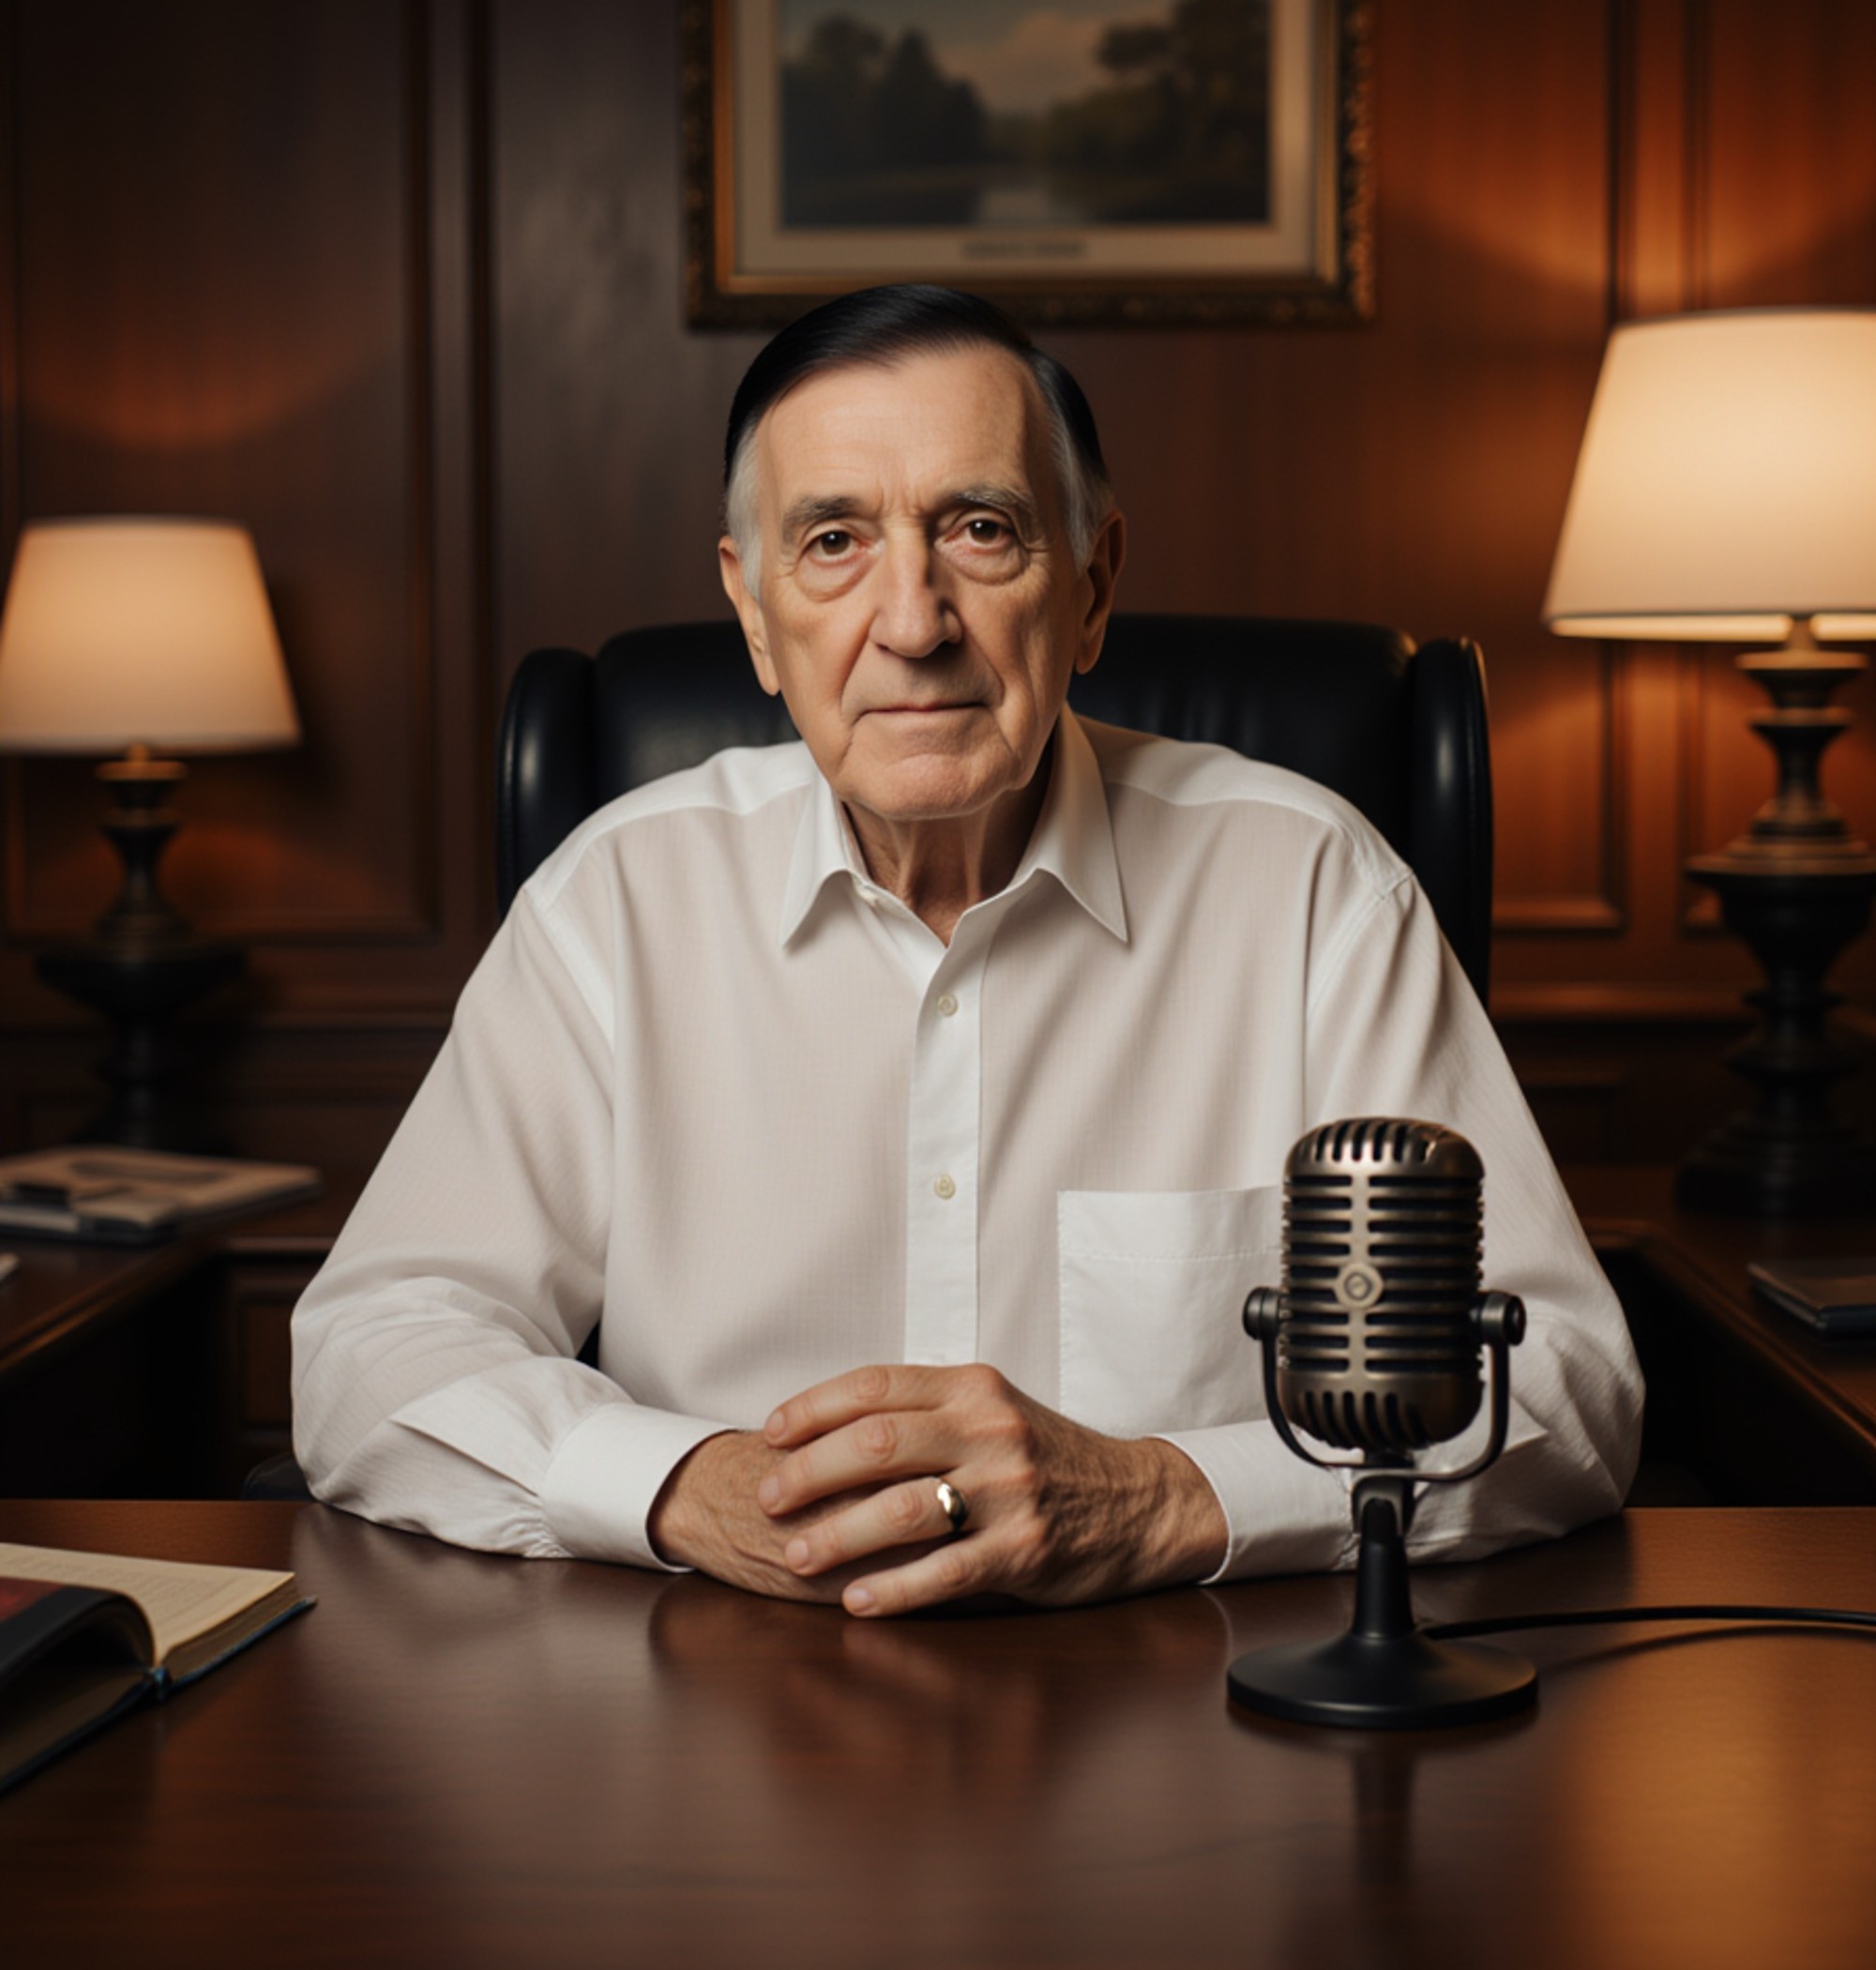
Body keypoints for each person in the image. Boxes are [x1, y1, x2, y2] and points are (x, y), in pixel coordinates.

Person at [293, 284, 1641, 1616]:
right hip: (717, 1687)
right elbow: (369, 1351)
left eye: (981, 530)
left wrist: (1162, 1499)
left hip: (1195, 1694)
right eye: (833, 541)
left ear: (1093, 585)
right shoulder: (616, 901)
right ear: (754, 609)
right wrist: (692, 1489)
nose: (914, 622)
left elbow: (1565, 1384)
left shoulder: (1311, 890)